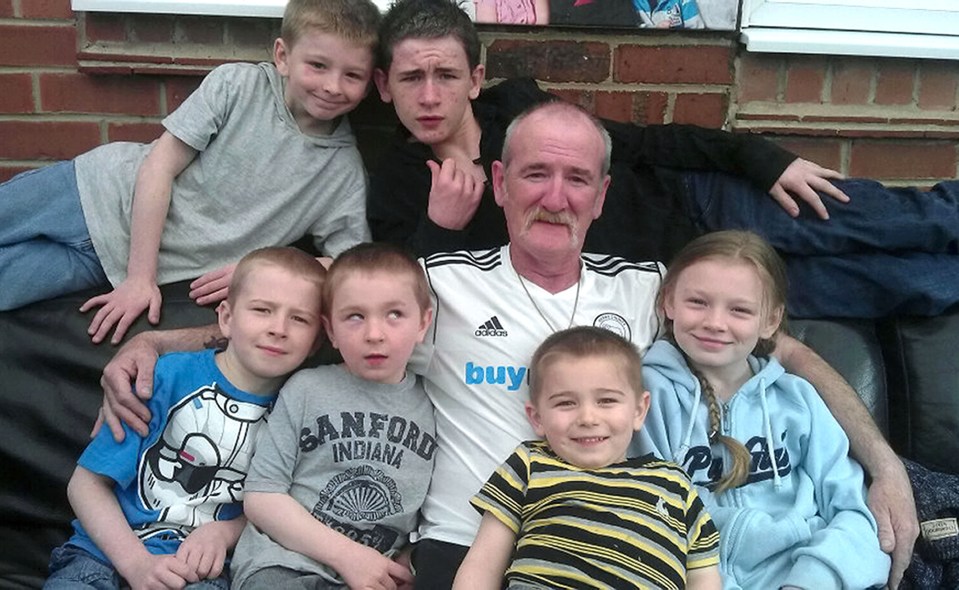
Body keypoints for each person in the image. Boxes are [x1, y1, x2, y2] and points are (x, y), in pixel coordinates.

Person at [100, 101, 917, 589]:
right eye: (533, 175)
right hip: (456, 546)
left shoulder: (647, 289)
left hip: (609, 540)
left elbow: (783, 354)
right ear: (498, 184)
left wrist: (881, 465)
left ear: (599, 196)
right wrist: (165, 342)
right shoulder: (441, 280)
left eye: (574, 181)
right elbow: (310, 315)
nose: (553, 198)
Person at [368, 0, 959, 319]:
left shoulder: (520, 110)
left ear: (474, 79)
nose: (428, 96)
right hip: (678, 279)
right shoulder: (396, 186)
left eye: (444, 75)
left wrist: (763, 159)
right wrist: (438, 225)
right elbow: (416, 303)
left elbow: (645, 142)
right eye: (411, 77)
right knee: (902, 285)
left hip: (697, 199)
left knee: (901, 218)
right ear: (383, 84)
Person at [0, 0, 378, 344]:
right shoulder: (238, 87)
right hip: (89, 192)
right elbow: (159, 167)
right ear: (283, 56)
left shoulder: (341, 172)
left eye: (352, 75)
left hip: (102, 261)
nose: (332, 86)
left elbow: (351, 264)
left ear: (370, 82)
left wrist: (265, 272)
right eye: (318, 65)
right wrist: (140, 279)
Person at [43, 247, 327, 590]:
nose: (278, 328)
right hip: (101, 555)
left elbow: (280, 507)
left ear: (317, 340)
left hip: (196, 572)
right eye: (262, 310)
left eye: (299, 318)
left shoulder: (301, 413)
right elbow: (86, 484)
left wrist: (225, 533)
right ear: (226, 318)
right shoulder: (164, 377)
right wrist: (136, 564)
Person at [634, 230, 890, 588]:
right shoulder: (647, 399)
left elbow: (853, 511)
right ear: (668, 303)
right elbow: (643, 517)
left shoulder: (797, 399)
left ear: (770, 321)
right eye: (698, 302)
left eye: (739, 309)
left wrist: (812, 581)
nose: (715, 322)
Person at [228, 242, 435, 590]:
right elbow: (262, 497)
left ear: (423, 323)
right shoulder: (307, 389)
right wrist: (348, 556)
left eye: (394, 314)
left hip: (374, 577)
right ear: (330, 330)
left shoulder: (433, 406)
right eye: (355, 316)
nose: (374, 334)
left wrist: (407, 558)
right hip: (284, 563)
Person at [453, 326, 721, 590]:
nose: (588, 418)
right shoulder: (530, 464)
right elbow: (484, 562)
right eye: (566, 403)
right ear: (537, 418)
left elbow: (703, 576)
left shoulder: (674, 484)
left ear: (639, 410)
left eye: (606, 401)